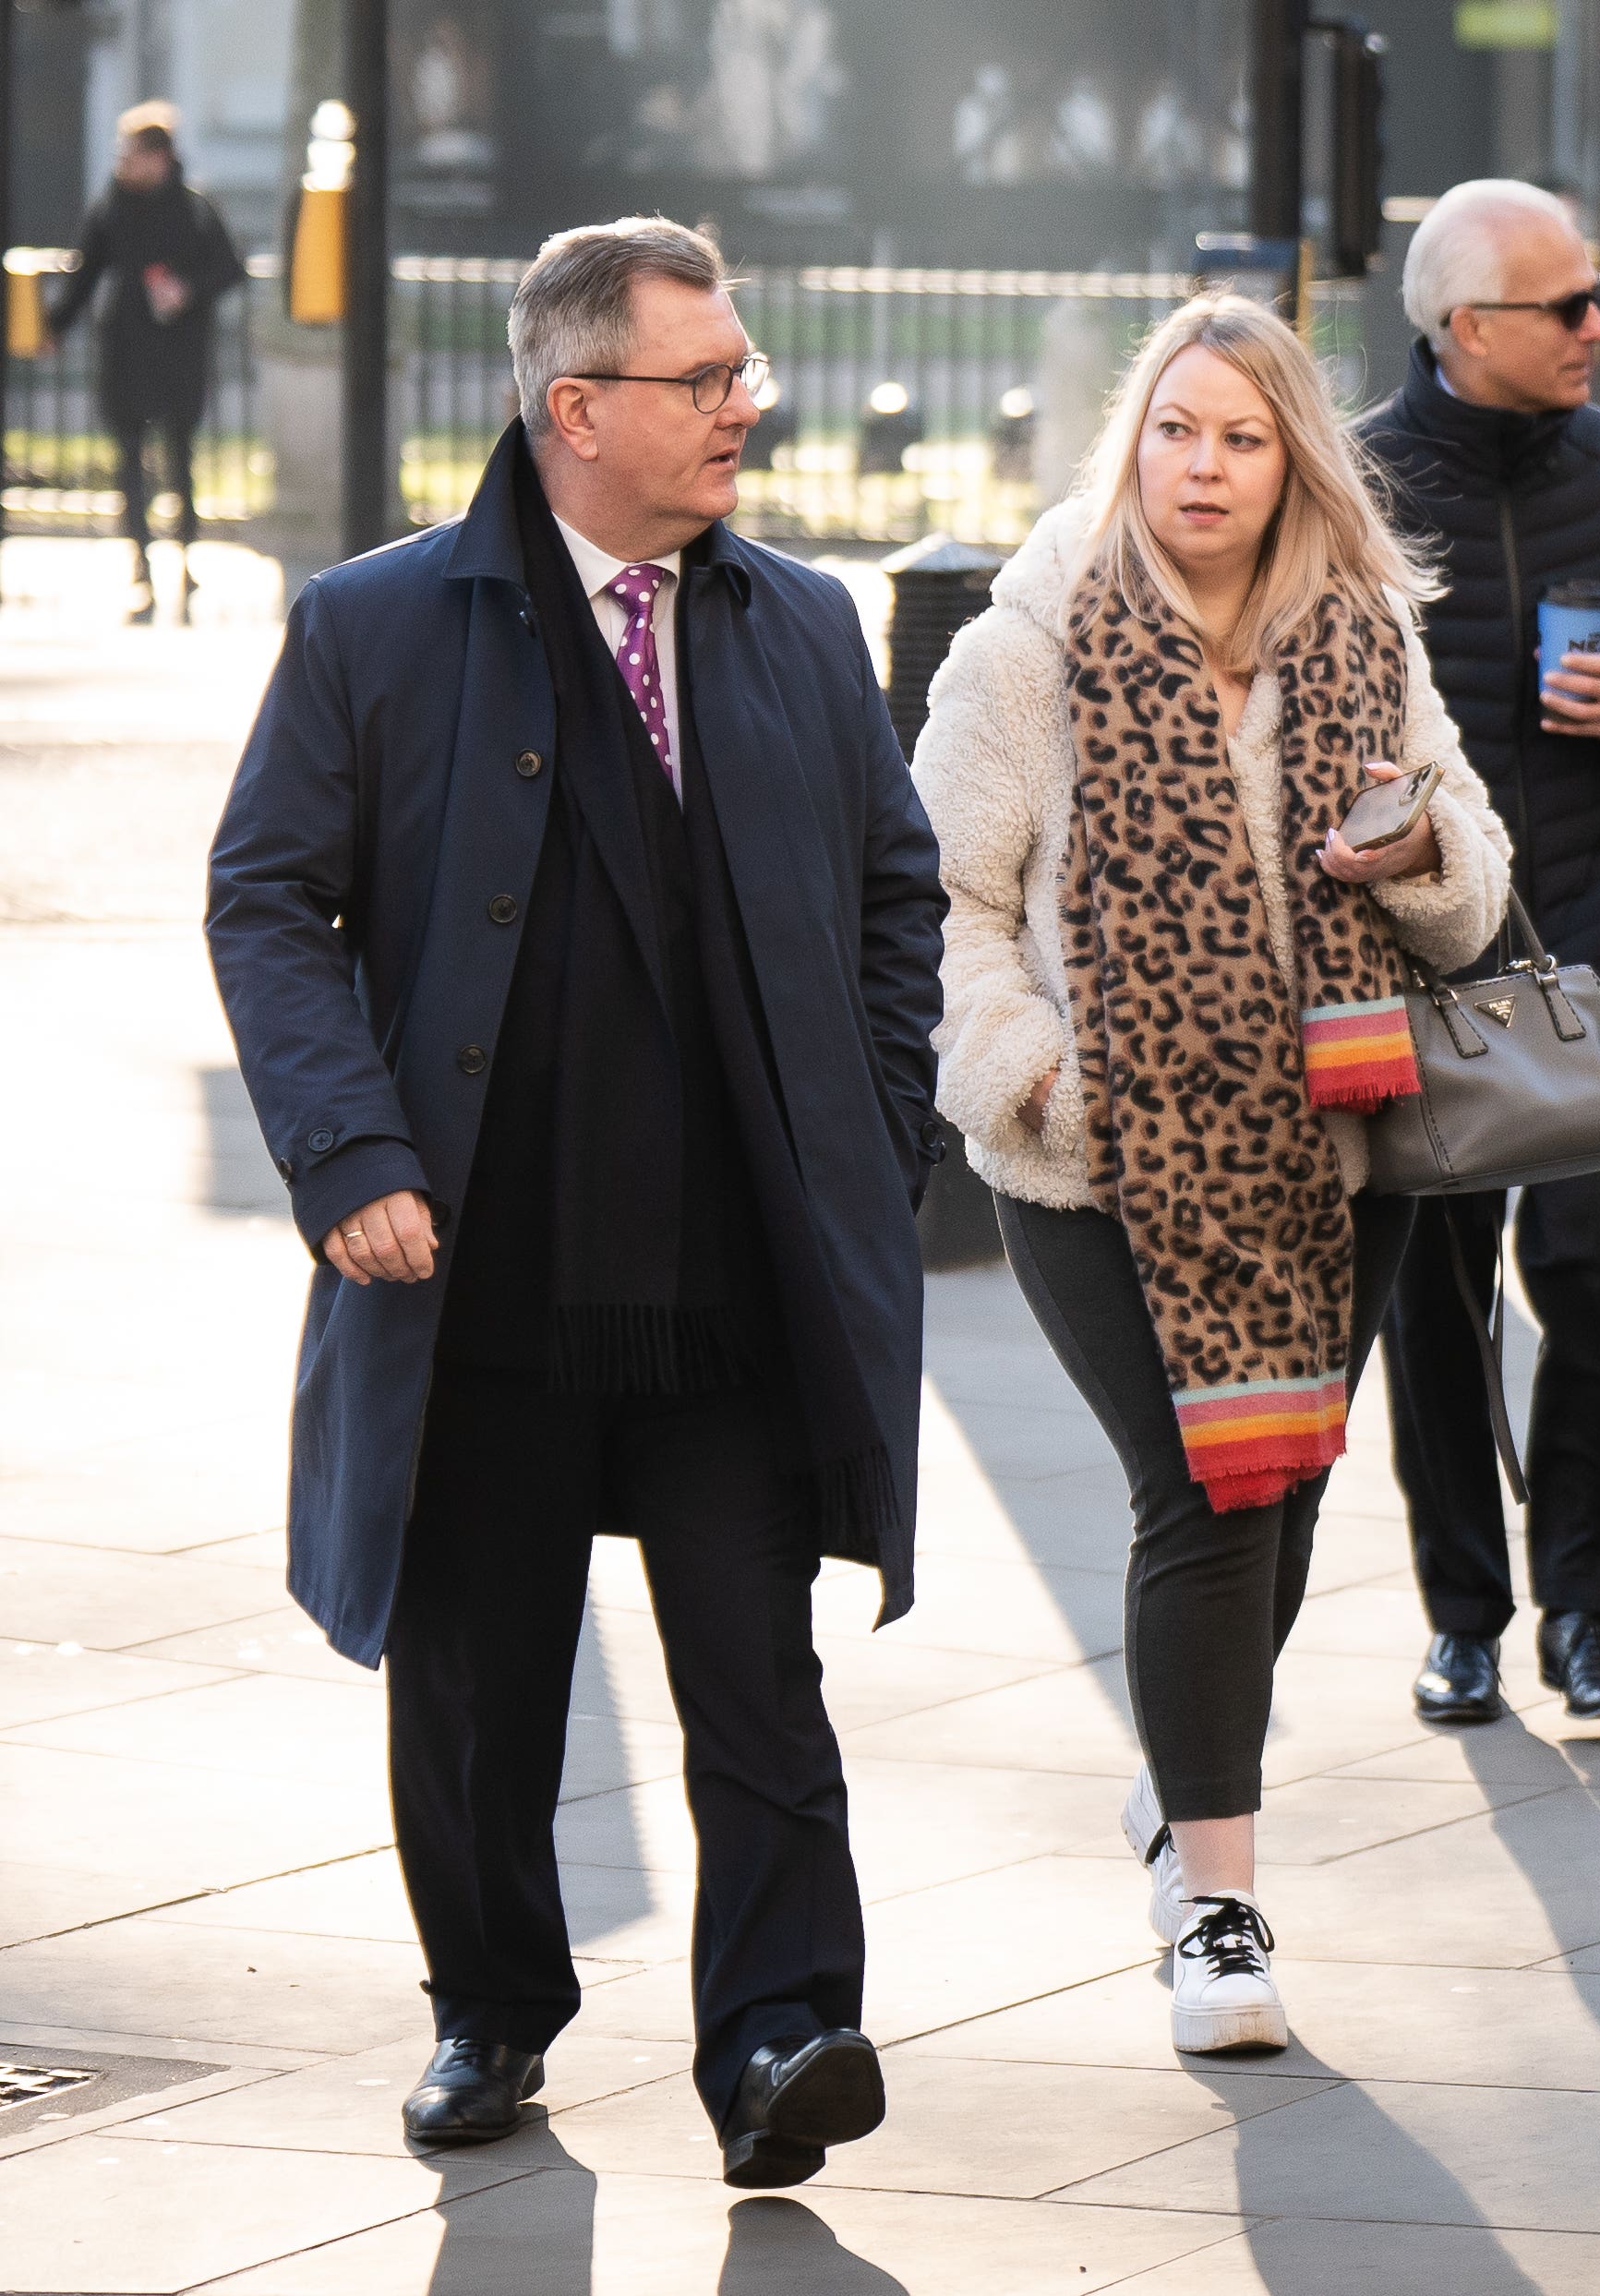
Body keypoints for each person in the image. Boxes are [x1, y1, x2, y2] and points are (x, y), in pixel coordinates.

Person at [207, 217, 946, 2184]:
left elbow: (895, 884)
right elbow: (268, 896)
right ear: (576, 408)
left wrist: (877, 1128)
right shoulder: (374, 627)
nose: (744, 409)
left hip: (730, 1289)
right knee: (478, 1686)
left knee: (756, 1687)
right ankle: (490, 2010)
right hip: (484, 1285)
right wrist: (348, 1151)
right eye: (704, 380)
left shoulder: (797, 619)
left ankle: (781, 2031)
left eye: (741, 372)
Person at [916, 294, 1514, 2057]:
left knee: (1286, 1495)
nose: (1204, 464)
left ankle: (1190, 1788)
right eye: (1177, 428)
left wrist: (1414, 846)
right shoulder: (1030, 645)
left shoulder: (1364, 635)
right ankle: (1220, 1905)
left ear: (1291, 461)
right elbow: (930, 899)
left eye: (1242, 437)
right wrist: (1027, 1069)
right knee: (1206, 1495)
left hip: (1339, 1153)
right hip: (1101, 1162)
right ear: (1134, 437)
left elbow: (1471, 889)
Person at [1358, 179, 1600, 1729]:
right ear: (1464, 327)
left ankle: (1588, 1607)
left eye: (1594, 297)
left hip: (1589, 957)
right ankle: (1464, 1613)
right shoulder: (1352, 483)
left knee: (1597, 1279)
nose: (1598, 324)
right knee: (1435, 1308)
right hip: (1410, 967)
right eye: (1566, 306)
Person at [49, 103, 244, 625]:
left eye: (132, 153)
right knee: (129, 459)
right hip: (126, 350)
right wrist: (54, 327)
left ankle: (185, 557)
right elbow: (84, 273)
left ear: (159, 158)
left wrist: (186, 290)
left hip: (180, 350)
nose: (123, 162)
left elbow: (230, 268)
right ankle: (141, 564)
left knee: (180, 455)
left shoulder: (195, 207)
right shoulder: (110, 207)